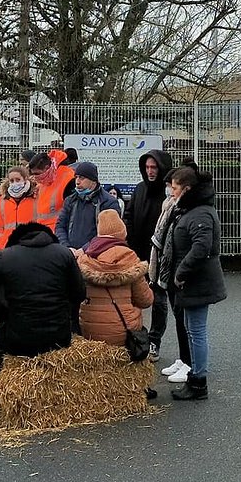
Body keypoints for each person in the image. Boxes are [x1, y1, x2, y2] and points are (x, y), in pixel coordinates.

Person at [0, 222, 87, 414]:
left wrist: (3, 315)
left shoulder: (6, 256)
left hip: (19, 340)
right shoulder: (64, 254)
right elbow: (79, 294)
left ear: (16, 239)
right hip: (59, 338)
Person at [164, 166, 226, 401]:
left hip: (196, 281)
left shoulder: (199, 213)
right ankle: (195, 376)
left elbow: (201, 247)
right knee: (191, 329)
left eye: (176, 188)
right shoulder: (193, 209)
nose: (172, 191)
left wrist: (180, 273)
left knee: (197, 331)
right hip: (193, 280)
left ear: (187, 189)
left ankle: (199, 381)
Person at [77, 210, 153, 346]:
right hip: (125, 331)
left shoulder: (84, 260)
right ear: (122, 233)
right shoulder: (131, 260)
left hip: (89, 331)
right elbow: (146, 300)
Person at [124, 150, 173, 360]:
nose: (150, 171)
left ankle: (154, 341)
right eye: (147, 167)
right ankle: (136, 339)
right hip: (137, 254)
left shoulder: (169, 193)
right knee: (133, 299)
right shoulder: (140, 189)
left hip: (159, 257)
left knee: (159, 301)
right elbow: (128, 215)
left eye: (154, 167)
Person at [151, 163, 195, 383]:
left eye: (173, 186)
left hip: (178, 270)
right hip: (168, 268)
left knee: (186, 320)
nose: (170, 190)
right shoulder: (169, 205)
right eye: (169, 186)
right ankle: (182, 358)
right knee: (179, 319)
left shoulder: (185, 209)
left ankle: (189, 363)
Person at [55, 161, 119, 250]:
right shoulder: (70, 200)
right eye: (76, 177)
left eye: (82, 178)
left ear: (93, 181)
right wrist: (66, 247)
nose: (77, 182)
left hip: (95, 255)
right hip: (70, 254)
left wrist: (84, 250)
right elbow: (60, 226)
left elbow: (108, 234)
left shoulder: (108, 202)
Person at [0, 166, 38, 251]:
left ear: (25, 179)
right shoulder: (2, 200)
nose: (15, 183)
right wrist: (1, 242)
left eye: (18, 179)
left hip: (31, 248)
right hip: (8, 248)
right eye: (12, 181)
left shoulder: (36, 197)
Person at [27, 153, 73, 233]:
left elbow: (72, 213)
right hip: (45, 232)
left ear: (47, 168)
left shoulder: (68, 180)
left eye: (37, 173)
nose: (35, 177)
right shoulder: (46, 179)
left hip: (59, 233)